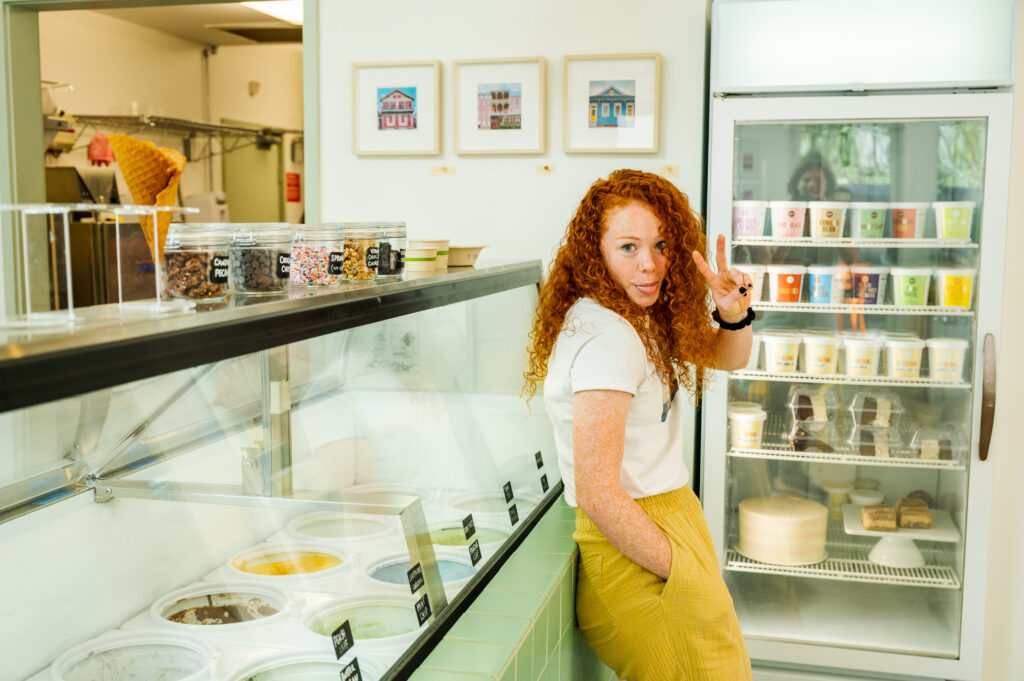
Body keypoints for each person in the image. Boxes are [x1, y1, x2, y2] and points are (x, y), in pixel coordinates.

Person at [524, 169, 754, 681]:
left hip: (664, 526)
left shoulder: (634, 313)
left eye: (661, 243)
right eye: (628, 247)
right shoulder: (610, 337)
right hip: (638, 548)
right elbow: (599, 494)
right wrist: (681, 570)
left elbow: (726, 357)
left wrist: (733, 315)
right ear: (595, 251)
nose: (649, 264)